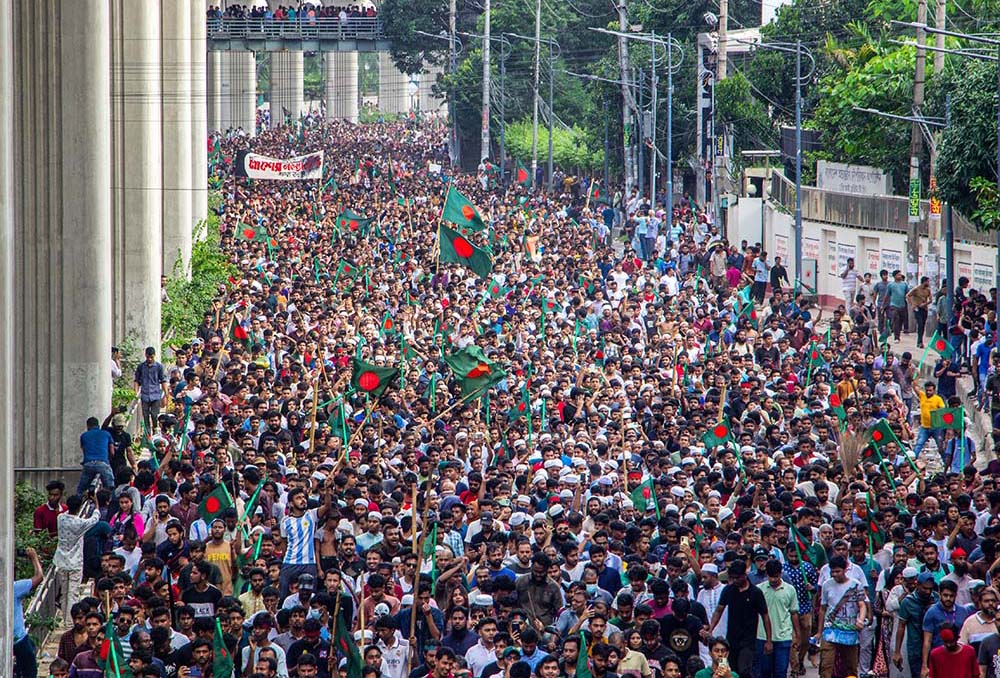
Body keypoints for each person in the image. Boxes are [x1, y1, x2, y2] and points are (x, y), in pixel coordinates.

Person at [709, 561, 771, 678]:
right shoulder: (728, 590)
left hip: (748, 641)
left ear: (744, 575)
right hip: (731, 639)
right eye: (732, 578)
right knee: (729, 670)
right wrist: (711, 629)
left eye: (737, 578)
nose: (734, 581)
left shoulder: (755, 593)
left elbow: (765, 616)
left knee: (744, 670)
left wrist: (768, 640)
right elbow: (719, 610)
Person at [814, 555, 868, 678]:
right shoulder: (827, 585)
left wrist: (860, 619)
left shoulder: (856, 584)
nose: (835, 574)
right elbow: (823, 609)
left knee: (851, 668)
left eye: (837, 571)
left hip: (850, 631)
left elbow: (862, 605)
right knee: (826, 666)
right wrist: (819, 631)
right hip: (830, 631)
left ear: (845, 570)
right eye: (832, 572)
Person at [53, 494, 100, 626]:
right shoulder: (80, 523)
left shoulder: (60, 518)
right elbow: (95, 518)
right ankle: (69, 622)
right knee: (72, 593)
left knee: (63, 593)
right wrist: (95, 502)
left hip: (61, 560)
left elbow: (66, 513)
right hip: (75, 562)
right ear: (79, 507)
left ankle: (64, 618)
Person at [757, 559, 799, 678]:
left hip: (783, 637)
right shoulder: (759, 590)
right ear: (767, 574)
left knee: (780, 672)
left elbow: (794, 613)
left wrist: (797, 635)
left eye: (776, 576)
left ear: (781, 574)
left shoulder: (790, 590)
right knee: (764, 671)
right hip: (762, 636)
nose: (773, 580)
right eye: (770, 576)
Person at [13, 547, 43, 678]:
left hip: (17, 641)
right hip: (18, 641)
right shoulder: (14, 588)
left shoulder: (14, 588)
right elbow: (39, 577)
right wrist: (34, 558)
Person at [76, 416, 115, 494]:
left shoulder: (84, 436)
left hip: (88, 464)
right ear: (98, 425)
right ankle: (110, 502)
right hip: (103, 463)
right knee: (110, 487)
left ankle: (78, 501)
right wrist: (108, 460)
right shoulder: (106, 434)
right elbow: (112, 452)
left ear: (88, 426)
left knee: (81, 489)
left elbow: (84, 450)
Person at [133, 346, 166, 434]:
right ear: (145, 355)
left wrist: (165, 394)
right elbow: (136, 380)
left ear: (154, 356)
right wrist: (136, 393)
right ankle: (147, 433)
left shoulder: (159, 367)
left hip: (155, 394)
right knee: (146, 415)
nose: (150, 359)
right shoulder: (141, 367)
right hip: (145, 395)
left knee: (154, 414)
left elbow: (163, 380)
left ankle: (155, 428)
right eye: (148, 357)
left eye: (151, 357)